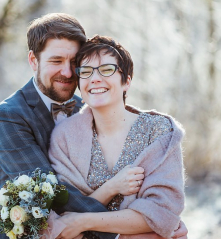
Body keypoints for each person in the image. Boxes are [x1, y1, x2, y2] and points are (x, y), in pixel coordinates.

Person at [0, 13, 187, 239]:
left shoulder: (89, 108)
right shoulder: (7, 117)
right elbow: (52, 196)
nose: (66, 72)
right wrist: (144, 226)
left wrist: (160, 218)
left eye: (74, 63)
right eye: (56, 61)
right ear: (33, 60)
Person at [48, 35, 186, 239]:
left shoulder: (158, 131)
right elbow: (63, 212)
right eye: (86, 72)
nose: (95, 78)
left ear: (126, 82)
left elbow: (162, 214)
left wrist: (82, 221)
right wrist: (112, 187)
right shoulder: (64, 137)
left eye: (106, 69)